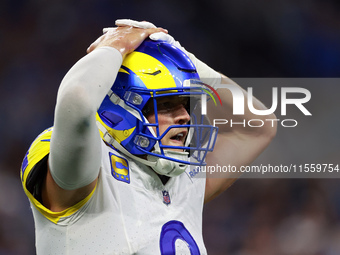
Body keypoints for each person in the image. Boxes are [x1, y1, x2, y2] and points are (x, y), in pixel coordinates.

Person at [20, 19, 276, 254]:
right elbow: (76, 101)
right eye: (165, 104)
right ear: (121, 109)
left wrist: (184, 59)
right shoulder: (90, 168)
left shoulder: (182, 176)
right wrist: (115, 45)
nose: (184, 117)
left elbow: (259, 125)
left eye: (185, 104)